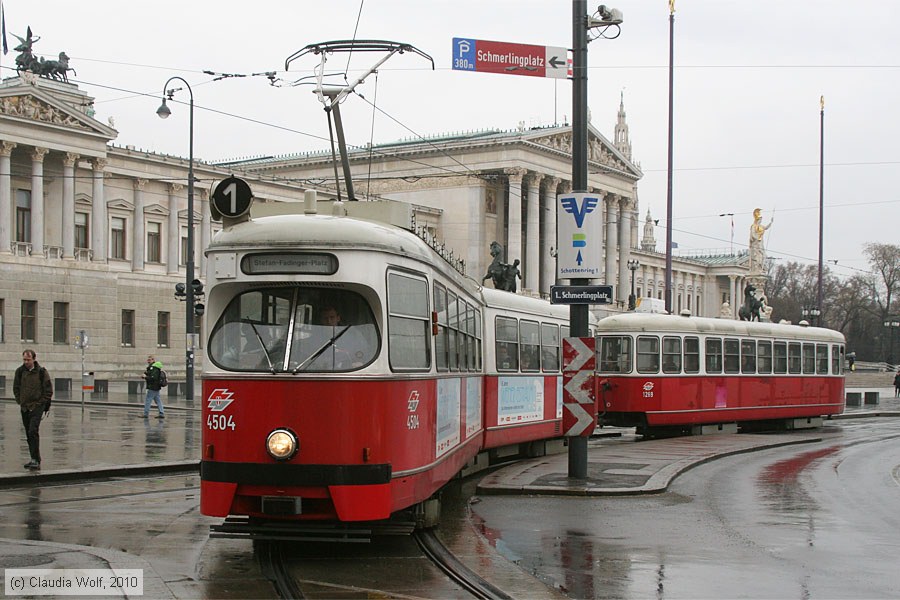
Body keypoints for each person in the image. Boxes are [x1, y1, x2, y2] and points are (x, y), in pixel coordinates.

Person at [14, 349, 53, 470]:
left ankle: (36, 459)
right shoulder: (20, 372)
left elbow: (48, 391)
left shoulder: (41, 372)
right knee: (28, 434)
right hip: (25, 407)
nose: (26, 362)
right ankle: (33, 458)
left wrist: (40, 404)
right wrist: (20, 401)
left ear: (34, 359)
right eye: (24, 359)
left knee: (33, 431)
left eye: (28, 360)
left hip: (37, 406)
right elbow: (16, 387)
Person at [748, 208, 773, 274]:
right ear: (757, 219)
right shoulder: (753, 226)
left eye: (761, 219)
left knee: (762, 255)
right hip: (756, 243)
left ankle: (759, 268)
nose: (761, 221)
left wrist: (771, 222)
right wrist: (757, 238)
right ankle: (756, 268)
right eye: (760, 219)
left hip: (761, 242)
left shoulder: (761, 226)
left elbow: (766, 228)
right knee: (756, 256)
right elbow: (752, 235)